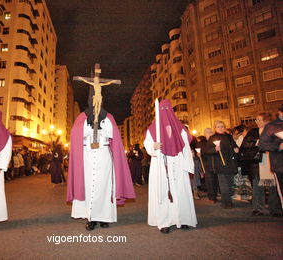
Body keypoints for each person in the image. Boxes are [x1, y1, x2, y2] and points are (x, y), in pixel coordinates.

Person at [67, 83, 135, 231]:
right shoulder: (82, 117)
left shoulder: (108, 117)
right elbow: (75, 135)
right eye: (93, 99)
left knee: (105, 187)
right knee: (89, 187)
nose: (96, 101)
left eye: (99, 98)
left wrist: (101, 124)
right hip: (87, 156)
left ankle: (104, 217)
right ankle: (91, 217)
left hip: (104, 155)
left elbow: (113, 135)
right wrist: (88, 124)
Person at [144, 99, 197, 234]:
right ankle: (165, 222)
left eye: (168, 109)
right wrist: (153, 147)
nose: (165, 112)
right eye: (162, 110)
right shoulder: (153, 129)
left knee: (181, 191)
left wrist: (187, 163)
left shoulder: (180, 128)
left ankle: (184, 219)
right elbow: (148, 144)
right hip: (161, 162)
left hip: (178, 163)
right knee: (163, 192)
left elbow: (185, 146)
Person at [242, 113, 282, 217]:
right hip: (257, 162)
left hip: (272, 160)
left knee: (274, 186)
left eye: (259, 119)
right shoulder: (253, 132)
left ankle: (275, 209)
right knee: (257, 185)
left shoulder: (274, 129)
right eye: (256, 119)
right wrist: (256, 142)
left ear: (266, 120)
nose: (256, 122)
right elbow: (245, 144)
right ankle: (258, 208)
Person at [204, 121, 239, 209]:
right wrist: (215, 149)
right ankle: (226, 202)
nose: (221, 128)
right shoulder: (212, 138)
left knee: (230, 182)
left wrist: (236, 149)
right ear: (215, 128)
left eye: (222, 126)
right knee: (224, 184)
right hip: (220, 164)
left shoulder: (228, 136)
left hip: (230, 163)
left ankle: (228, 200)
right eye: (218, 127)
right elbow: (207, 151)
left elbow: (234, 145)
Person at [259, 104, 283, 197]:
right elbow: (262, 145)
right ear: (280, 113)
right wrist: (278, 146)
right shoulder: (272, 126)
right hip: (280, 165)